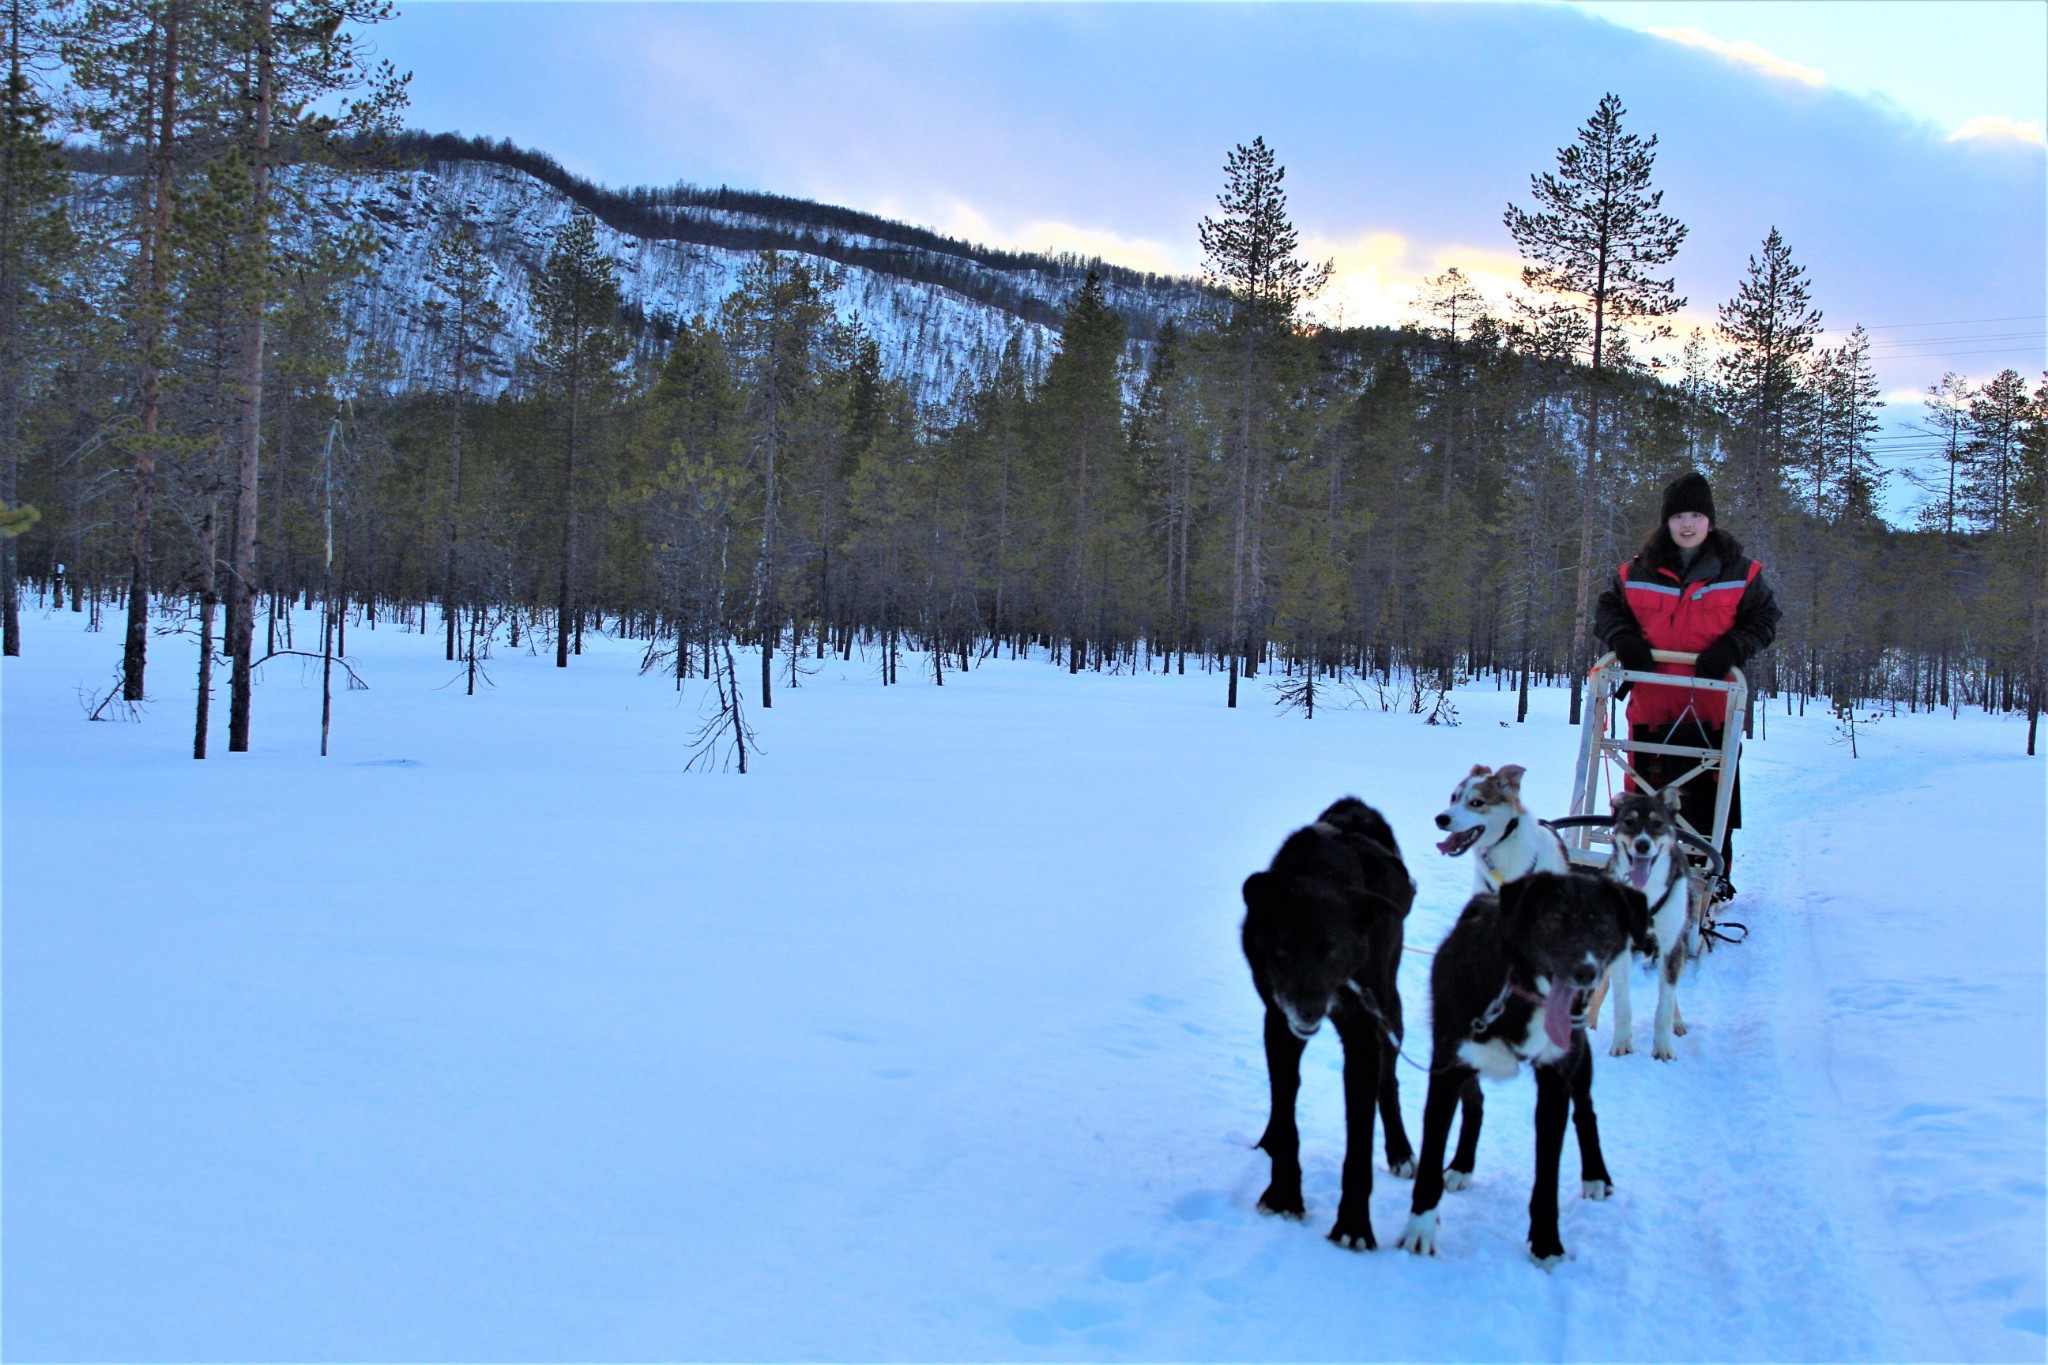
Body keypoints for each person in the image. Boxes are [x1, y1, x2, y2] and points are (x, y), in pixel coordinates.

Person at [1594, 471, 1781, 900]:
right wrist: (1623, 639)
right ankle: (1638, 880)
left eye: (1696, 514)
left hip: (1712, 708)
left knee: (1709, 802)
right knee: (1644, 802)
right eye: (1679, 516)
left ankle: (1710, 878)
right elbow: (1607, 610)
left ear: (1710, 520)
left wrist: (1732, 648)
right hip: (1652, 706)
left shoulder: (1740, 573)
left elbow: (1765, 620)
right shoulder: (1637, 571)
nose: (1688, 524)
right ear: (1667, 522)